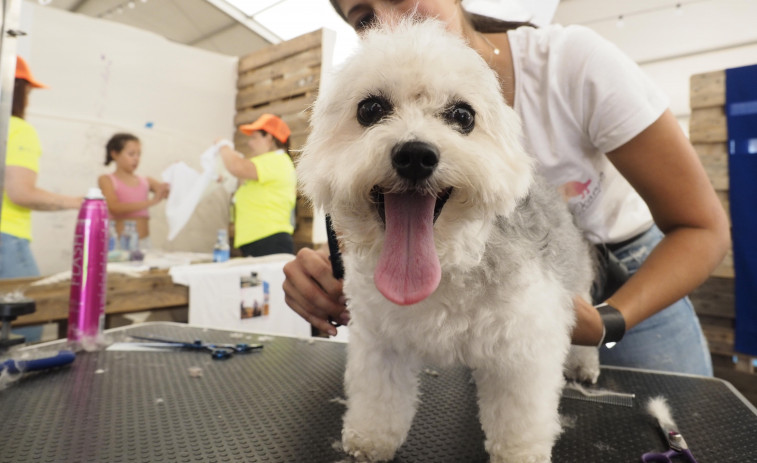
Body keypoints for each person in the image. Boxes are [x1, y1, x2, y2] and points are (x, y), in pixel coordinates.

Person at [281, 0, 730, 376]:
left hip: (629, 279)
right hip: (483, 290)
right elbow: (382, 229)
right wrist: (338, 266)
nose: (393, 23)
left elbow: (702, 228)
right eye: (364, 18)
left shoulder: (571, 61)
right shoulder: (360, 104)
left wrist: (608, 321)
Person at [1, 56, 83, 342]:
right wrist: (77, 202)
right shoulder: (16, 129)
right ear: (18, 90)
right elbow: (20, 193)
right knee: (27, 325)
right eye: (29, 93)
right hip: (6, 239)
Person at [217, 114, 297, 257]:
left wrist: (223, 145)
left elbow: (236, 166)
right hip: (258, 242)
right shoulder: (268, 164)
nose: (250, 143)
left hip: (269, 241)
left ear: (270, 138)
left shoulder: (277, 160)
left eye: (254, 138)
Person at [98, 133, 169, 248]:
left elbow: (167, 192)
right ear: (115, 154)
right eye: (131, 154)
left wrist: (175, 175)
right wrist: (151, 202)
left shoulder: (146, 181)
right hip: (119, 245)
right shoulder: (106, 179)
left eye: (139, 154)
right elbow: (114, 208)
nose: (136, 158)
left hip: (144, 243)